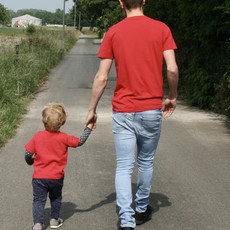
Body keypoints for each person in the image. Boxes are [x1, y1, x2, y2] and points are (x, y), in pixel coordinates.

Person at [85, 0, 179, 229]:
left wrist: (92, 110)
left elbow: (101, 77)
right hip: (150, 110)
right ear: (144, 1)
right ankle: (141, 209)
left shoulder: (114, 32)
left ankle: (126, 221)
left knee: (124, 166)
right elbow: (172, 68)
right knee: (145, 162)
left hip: (124, 110)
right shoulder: (161, 29)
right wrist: (173, 96)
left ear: (121, 3)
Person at [24, 102, 93, 230]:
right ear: (62, 122)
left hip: (39, 177)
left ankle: (38, 224)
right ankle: (54, 221)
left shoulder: (38, 136)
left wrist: (30, 161)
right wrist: (88, 128)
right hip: (56, 178)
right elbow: (80, 141)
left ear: (43, 121)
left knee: (39, 200)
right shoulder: (64, 138)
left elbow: (28, 154)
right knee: (55, 198)